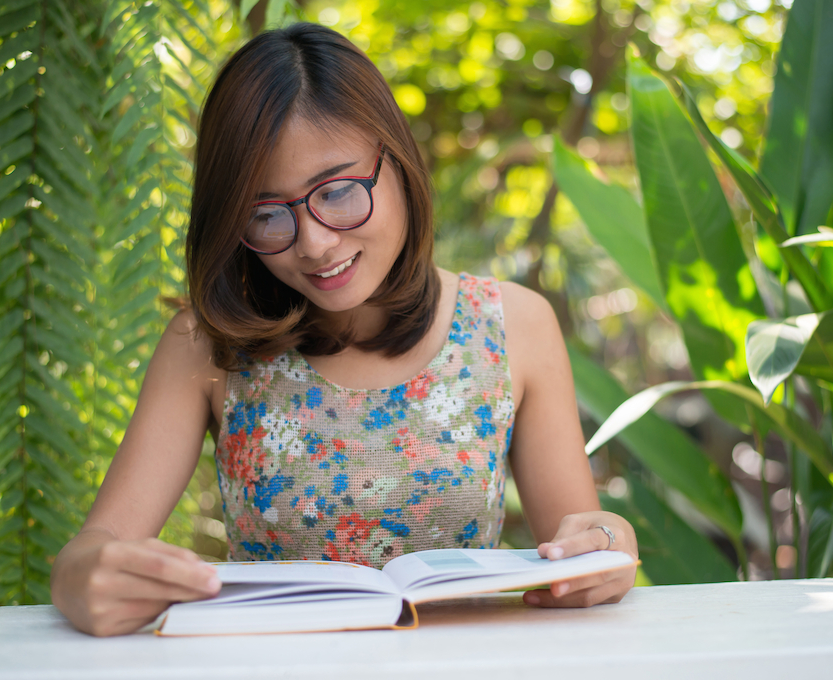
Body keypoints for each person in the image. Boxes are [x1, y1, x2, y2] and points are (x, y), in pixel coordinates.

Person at [49, 22, 638, 637]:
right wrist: (86, 576)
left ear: (398, 161)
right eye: (267, 214)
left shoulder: (513, 325)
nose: (314, 243)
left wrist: (606, 542)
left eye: (337, 192)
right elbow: (90, 551)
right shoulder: (205, 344)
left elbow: (579, 549)